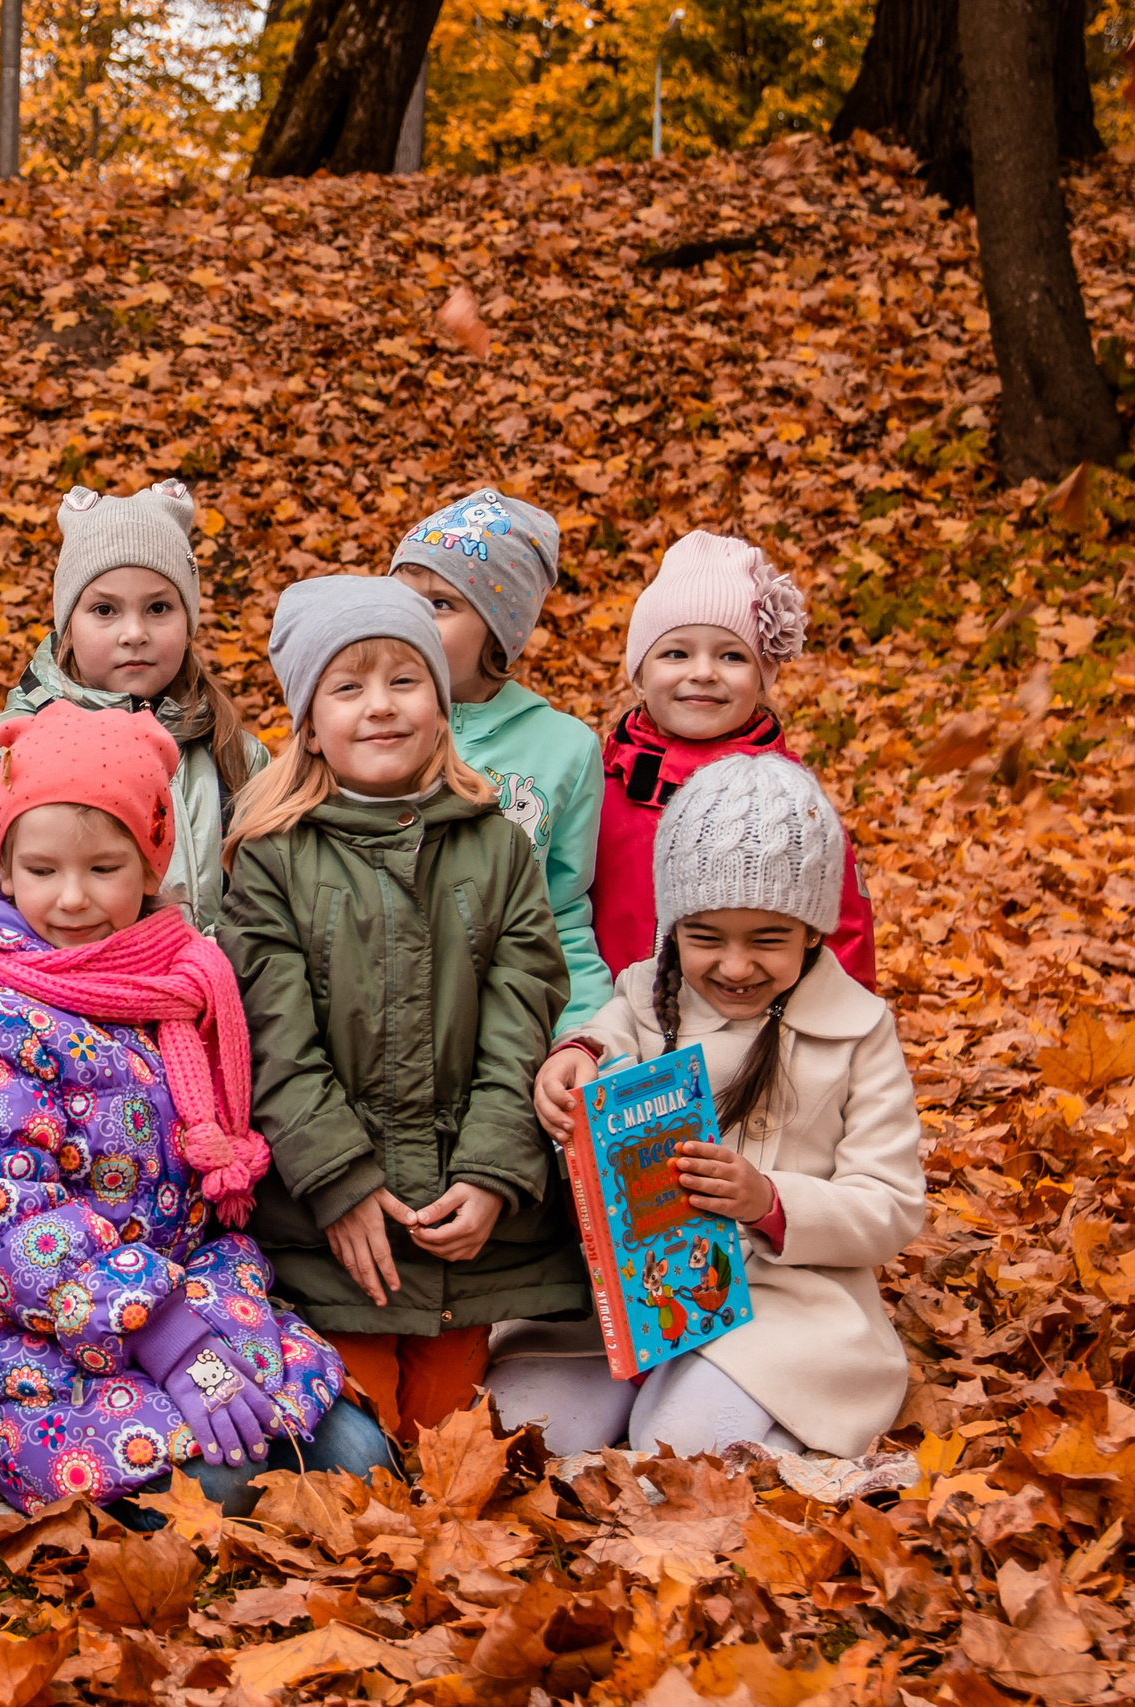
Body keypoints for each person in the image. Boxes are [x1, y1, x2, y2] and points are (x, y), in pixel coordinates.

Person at [0, 700, 384, 1518]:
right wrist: (163, 1339)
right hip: (36, 1324)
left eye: (103, 868)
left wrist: (192, 1331)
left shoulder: (170, 983)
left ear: (150, 865)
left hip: (185, 1293)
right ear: (6, 869)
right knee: (230, 1487)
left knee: (355, 1457)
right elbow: (7, 1220)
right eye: (43, 869)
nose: (70, 899)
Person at [219, 577, 584, 1443]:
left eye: (404, 680)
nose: (380, 707)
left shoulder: (498, 845)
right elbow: (274, 1042)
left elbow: (521, 1017)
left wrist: (495, 1175)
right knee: (360, 1445)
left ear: (442, 700)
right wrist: (342, 1184)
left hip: (468, 1231)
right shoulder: (273, 858)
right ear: (308, 720)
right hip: (328, 1229)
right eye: (348, 687)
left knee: (448, 1438)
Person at [496, 755, 926, 1459]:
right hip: (633, 1298)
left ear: (813, 932)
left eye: (768, 939)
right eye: (705, 937)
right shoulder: (646, 993)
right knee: (523, 1428)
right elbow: (604, 1035)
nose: (734, 966)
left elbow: (892, 1203)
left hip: (787, 1310)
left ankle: (778, 1440)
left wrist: (768, 1200)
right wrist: (574, 1056)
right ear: (673, 928)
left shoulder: (857, 1029)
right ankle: (671, 1405)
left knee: (679, 1447)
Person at [0, 480, 267, 929]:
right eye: (105, 611)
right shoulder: (1, 749)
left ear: (189, 622)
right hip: (47, 992)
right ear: (69, 623)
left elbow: (268, 900)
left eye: (159, 608)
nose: (134, 633)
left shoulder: (235, 756)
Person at [593, 532, 875, 987]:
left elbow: (843, 936)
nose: (703, 672)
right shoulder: (597, 791)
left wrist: (838, 1045)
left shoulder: (795, 805)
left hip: (758, 1041)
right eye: (676, 653)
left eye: (731, 656)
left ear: (762, 681)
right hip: (613, 1038)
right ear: (640, 674)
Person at [388, 489, 610, 1030]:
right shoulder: (364, 730)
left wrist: (586, 1036)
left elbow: (564, 914)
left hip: (507, 1036)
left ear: (501, 631)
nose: (413, 620)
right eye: (401, 599)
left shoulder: (566, 749)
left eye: (441, 603)